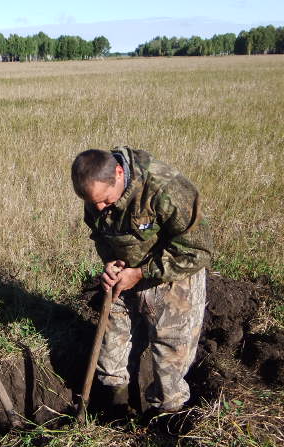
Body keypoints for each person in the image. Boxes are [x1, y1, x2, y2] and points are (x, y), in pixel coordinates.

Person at [71, 146, 213, 416]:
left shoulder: (166, 189)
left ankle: (165, 424)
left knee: (170, 362)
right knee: (112, 354)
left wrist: (141, 272)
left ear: (119, 173)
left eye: (104, 200)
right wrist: (111, 263)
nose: (99, 208)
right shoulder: (96, 194)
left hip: (174, 275)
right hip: (125, 276)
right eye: (92, 202)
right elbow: (101, 234)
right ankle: (117, 413)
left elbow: (198, 251)